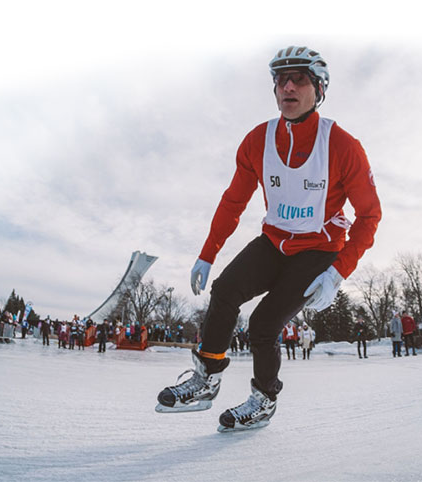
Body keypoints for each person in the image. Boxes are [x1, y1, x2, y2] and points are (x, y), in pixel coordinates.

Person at [155, 45, 381, 432]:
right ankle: (206, 378)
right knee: (225, 290)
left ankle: (263, 400)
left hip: (318, 249)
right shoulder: (257, 141)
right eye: (281, 79)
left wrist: (338, 271)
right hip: (275, 241)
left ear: (319, 89)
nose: (288, 87)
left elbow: (369, 215)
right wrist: (207, 255)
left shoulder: (343, 146)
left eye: (300, 79)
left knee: (263, 324)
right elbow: (233, 201)